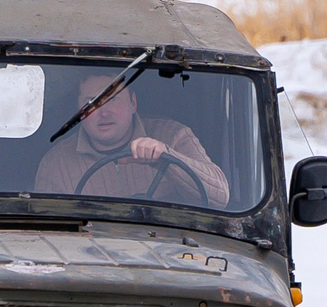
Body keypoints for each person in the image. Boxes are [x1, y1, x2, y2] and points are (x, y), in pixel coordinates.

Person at [33, 66, 230, 207]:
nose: (104, 112)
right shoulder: (56, 164)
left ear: (133, 103)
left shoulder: (173, 136)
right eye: (91, 103)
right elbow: (48, 230)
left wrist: (167, 158)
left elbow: (220, 198)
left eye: (112, 99)